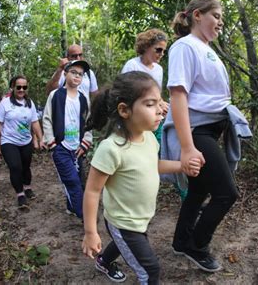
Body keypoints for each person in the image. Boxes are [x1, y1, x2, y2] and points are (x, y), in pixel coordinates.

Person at [81, 72, 201, 284]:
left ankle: (104, 260)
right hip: (124, 222)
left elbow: (151, 165)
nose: (160, 110)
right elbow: (92, 191)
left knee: (122, 244)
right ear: (124, 110)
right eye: (150, 104)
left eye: (159, 103)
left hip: (140, 217)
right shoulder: (111, 148)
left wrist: (181, 166)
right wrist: (91, 232)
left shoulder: (148, 139)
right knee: (150, 270)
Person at [161, 0, 243, 273]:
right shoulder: (184, 47)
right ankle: (196, 245)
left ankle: (180, 241)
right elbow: (178, 95)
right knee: (226, 193)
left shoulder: (205, 48)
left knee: (199, 189)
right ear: (197, 15)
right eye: (216, 15)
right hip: (197, 130)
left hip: (211, 127)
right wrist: (187, 147)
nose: (221, 21)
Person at [43, 60, 93, 219]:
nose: (77, 76)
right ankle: (84, 216)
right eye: (73, 72)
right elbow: (47, 119)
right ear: (65, 74)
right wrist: (52, 144)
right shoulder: (56, 95)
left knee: (78, 180)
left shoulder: (84, 98)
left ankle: (72, 208)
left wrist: (86, 142)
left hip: (77, 148)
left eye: (80, 74)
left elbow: (89, 122)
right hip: (61, 147)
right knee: (72, 182)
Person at [0, 75, 46, 208]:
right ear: (13, 87)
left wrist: (41, 139)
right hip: (8, 141)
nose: (22, 89)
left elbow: (34, 122)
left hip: (26, 141)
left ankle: (27, 187)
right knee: (15, 167)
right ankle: (20, 194)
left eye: (24, 87)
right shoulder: (5, 103)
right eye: (19, 87)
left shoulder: (30, 103)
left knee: (26, 166)